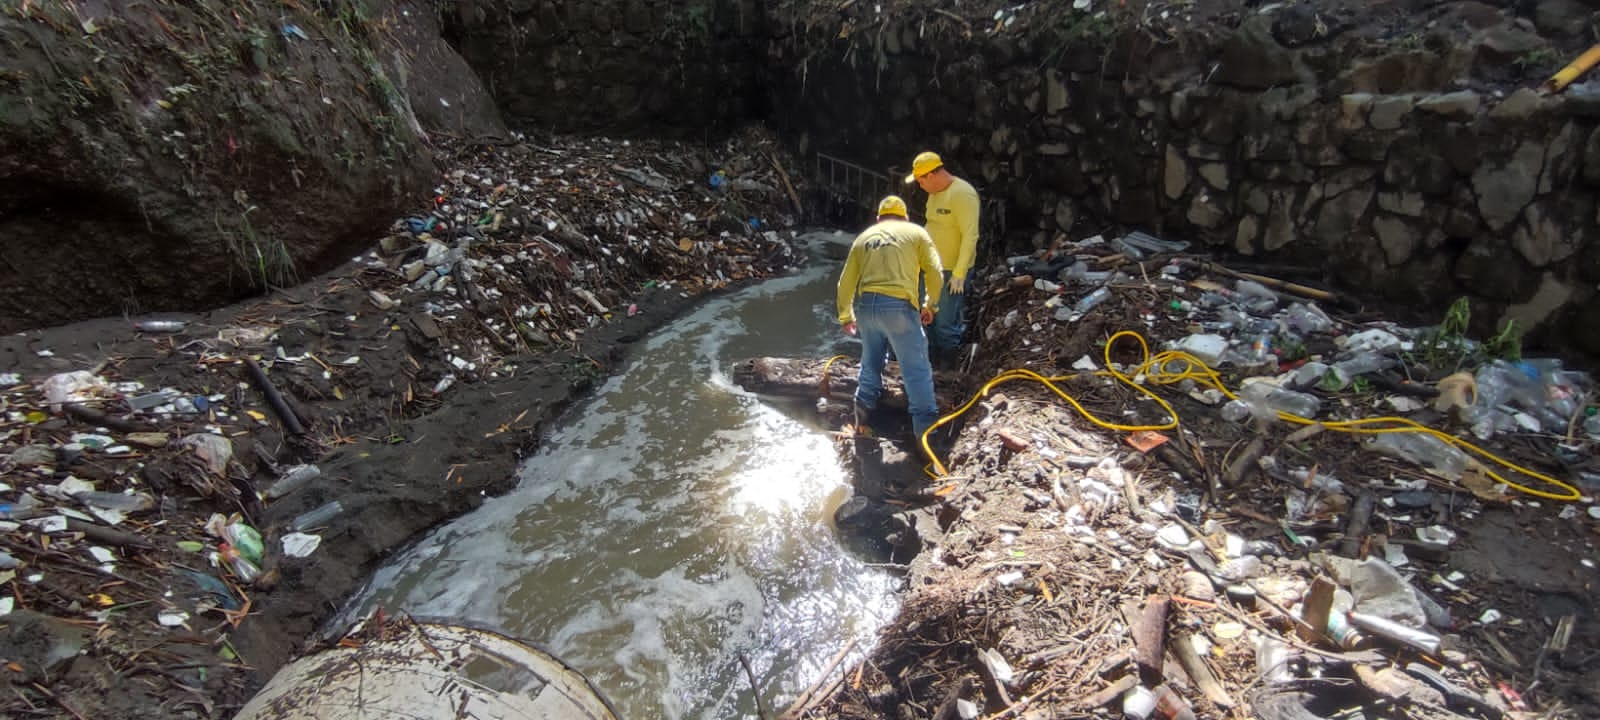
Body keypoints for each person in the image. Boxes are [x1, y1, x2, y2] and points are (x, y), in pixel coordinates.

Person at [837, 195, 944, 446]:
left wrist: (845, 315)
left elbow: (845, 281)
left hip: (867, 309)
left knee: (871, 361)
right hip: (899, 307)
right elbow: (935, 271)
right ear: (905, 217)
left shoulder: (864, 238)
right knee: (916, 370)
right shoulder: (915, 232)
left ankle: (861, 422)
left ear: (879, 219)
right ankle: (926, 436)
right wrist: (931, 304)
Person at [905, 151, 981, 368]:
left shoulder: (962, 194)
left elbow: (970, 235)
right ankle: (930, 365)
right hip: (932, 268)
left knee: (946, 323)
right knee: (928, 317)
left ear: (931, 175)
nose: (920, 185)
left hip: (951, 271)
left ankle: (947, 371)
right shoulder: (935, 192)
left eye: (921, 180)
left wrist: (959, 274)